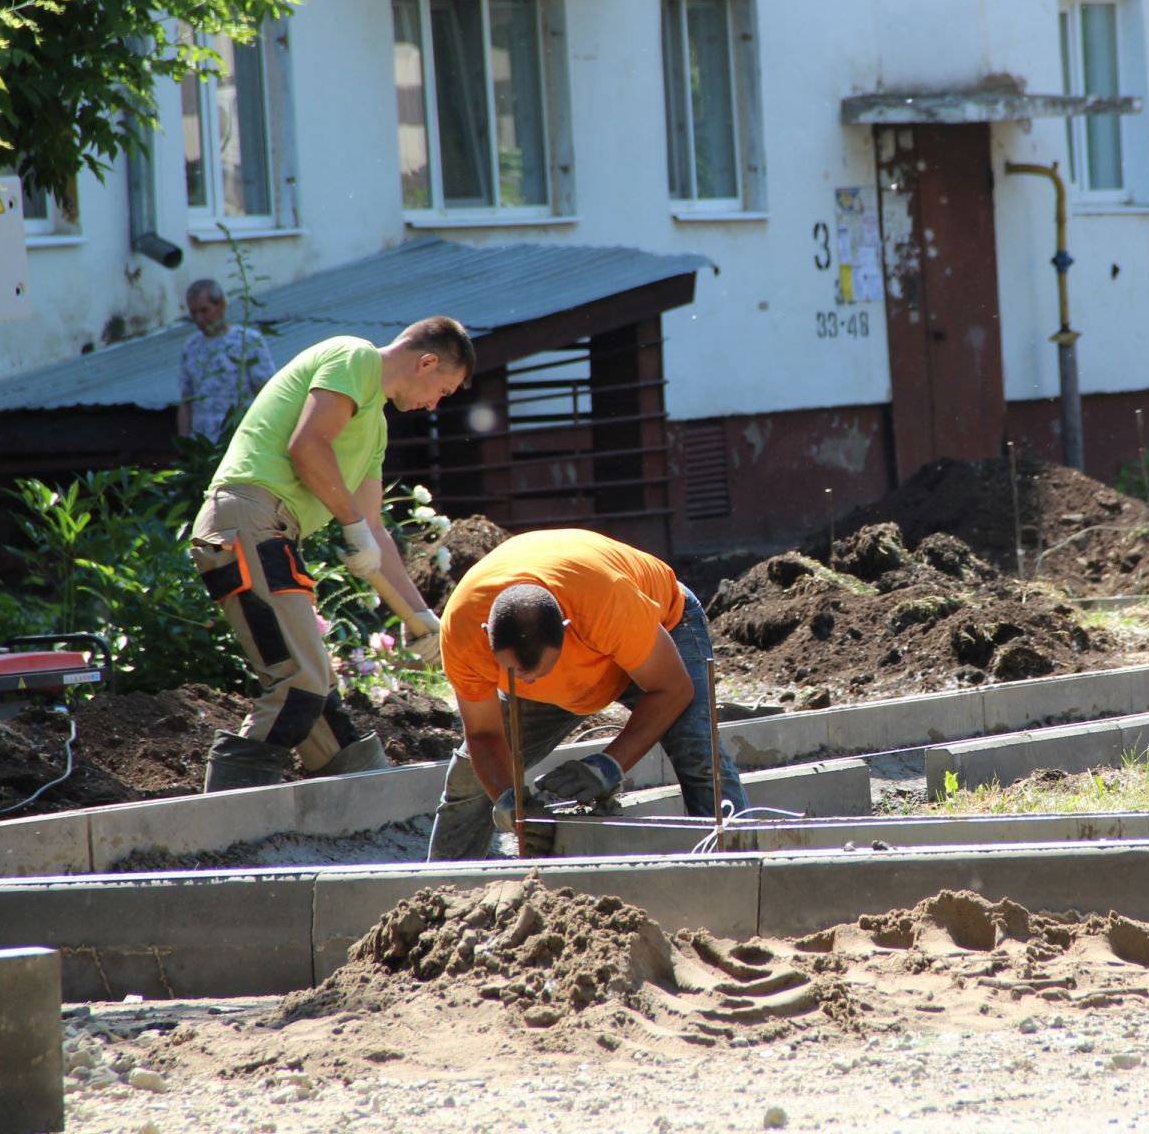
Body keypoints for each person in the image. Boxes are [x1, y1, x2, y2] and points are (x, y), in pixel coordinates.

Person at [188, 316, 474, 791]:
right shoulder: (354, 355)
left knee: (319, 700)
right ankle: (219, 819)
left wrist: (420, 616)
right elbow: (307, 447)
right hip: (246, 521)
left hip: (272, 533)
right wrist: (352, 523)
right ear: (427, 362)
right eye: (442, 390)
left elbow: (374, 533)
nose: (433, 405)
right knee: (301, 682)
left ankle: (368, 804)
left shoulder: (375, 429)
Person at [425, 528, 750, 861]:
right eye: (518, 675)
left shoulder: (606, 604)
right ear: (486, 636)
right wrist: (510, 802)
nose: (533, 684)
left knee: (698, 752)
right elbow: (483, 734)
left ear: (567, 628)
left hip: (660, 632)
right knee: (470, 780)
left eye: (541, 671)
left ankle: (736, 865)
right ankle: (444, 895)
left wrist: (607, 766)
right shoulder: (463, 632)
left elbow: (673, 689)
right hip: (589, 652)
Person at [177, 278, 276, 441]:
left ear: (221, 305)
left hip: (241, 438)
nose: (199, 319)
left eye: (204, 310)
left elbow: (266, 392)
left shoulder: (248, 340)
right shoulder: (191, 346)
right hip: (204, 444)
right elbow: (186, 399)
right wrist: (184, 440)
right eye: (194, 312)